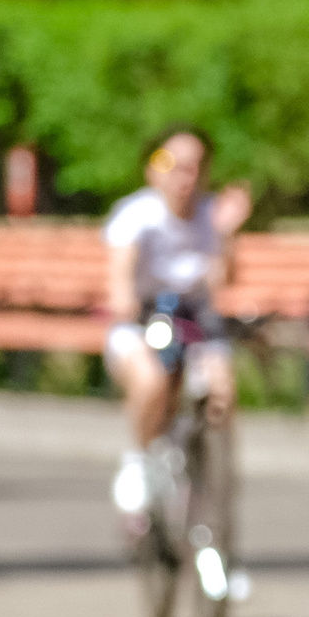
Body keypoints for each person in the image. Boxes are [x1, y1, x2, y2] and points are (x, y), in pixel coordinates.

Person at [103, 128, 250, 522]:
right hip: (145, 320)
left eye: (195, 168)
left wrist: (227, 235)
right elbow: (120, 276)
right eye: (174, 165)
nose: (185, 177)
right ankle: (140, 459)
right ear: (155, 169)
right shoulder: (137, 215)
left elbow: (224, 280)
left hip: (195, 321)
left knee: (222, 391)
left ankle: (212, 479)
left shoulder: (211, 214)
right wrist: (124, 300)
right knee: (150, 381)